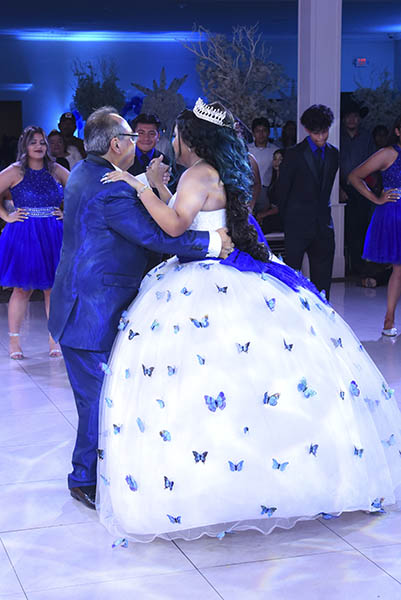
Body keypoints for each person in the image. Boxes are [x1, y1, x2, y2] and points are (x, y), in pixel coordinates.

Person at [96, 98, 401, 543]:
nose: (172, 141)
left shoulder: (198, 173)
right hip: (225, 265)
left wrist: (136, 183)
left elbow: (177, 227)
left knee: (200, 378)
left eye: (177, 134)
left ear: (191, 138)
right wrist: (161, 187)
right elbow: (198, 216)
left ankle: (209, 478)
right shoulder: (214, 172)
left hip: (203, 278)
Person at [48, 106, 234, 510]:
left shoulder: (86, 171)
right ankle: (84, 479)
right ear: (116, 144)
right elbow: (155, 235)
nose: (138, 143)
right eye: (132, 138)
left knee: (108, 395)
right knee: (98, 399)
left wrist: (145, 186)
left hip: (86, 300)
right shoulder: (109, 187)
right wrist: (212, 244)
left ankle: (106, 469)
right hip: (91, 311)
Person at [0, 126, 68, 359]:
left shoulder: (56, 169)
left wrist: (66, 214)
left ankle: (53, 340)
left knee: (53, 289)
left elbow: (80, 192)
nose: (39, 146)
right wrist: (6, 215)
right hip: (24, 233)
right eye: (34, 142)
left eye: (42, 142)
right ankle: (14, 343)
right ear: (25, 146)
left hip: (53, 232)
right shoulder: (15, 171)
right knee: (22, 289)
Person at [276, 104, 339, 299]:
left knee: (323, 283)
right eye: (316, 133)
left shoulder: (333, 154)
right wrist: (289, 220)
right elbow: (281, 192)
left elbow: (325, 189)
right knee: (291, 280)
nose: (321, 137)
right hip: (296, 225)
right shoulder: (293, 154)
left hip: (323, 226)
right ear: (307, 130)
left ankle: (323, 320)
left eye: (324, 132)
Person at [348, 115, 401, 336]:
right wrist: (376, 198)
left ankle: (389, 320)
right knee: (399, 268)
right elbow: (354, 176)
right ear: (398, 131)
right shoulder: (388, 153)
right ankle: (388, 321)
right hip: (395, 212)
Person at [340, 100, 376, 279]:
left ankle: (359, 268)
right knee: (344, 229)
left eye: (355, 116)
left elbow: (373, 164)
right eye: (349, 116)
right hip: (342, 190)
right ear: (344, 119)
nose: (352, 119)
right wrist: (338, 188)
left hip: (362, 188)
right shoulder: (338, 138)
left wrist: (370, 186)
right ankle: (345, 267)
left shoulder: (366, 137)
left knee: (361, 228)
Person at [248, 117, 279, 214]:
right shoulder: (247, 149)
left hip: (266, 191)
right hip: (249, 189)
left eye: (264, 131)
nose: (261, 134)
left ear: (269, 132)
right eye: (258, 131)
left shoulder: (275, 151)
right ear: (253, 133)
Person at [256, 148, 284, 234]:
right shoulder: (274, 178)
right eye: (275, 159)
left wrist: (263, 214)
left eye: (280, 160)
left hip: (281, 217)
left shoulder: (285, 181)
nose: (277, 162)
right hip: (272, 215)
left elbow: (280, 207)